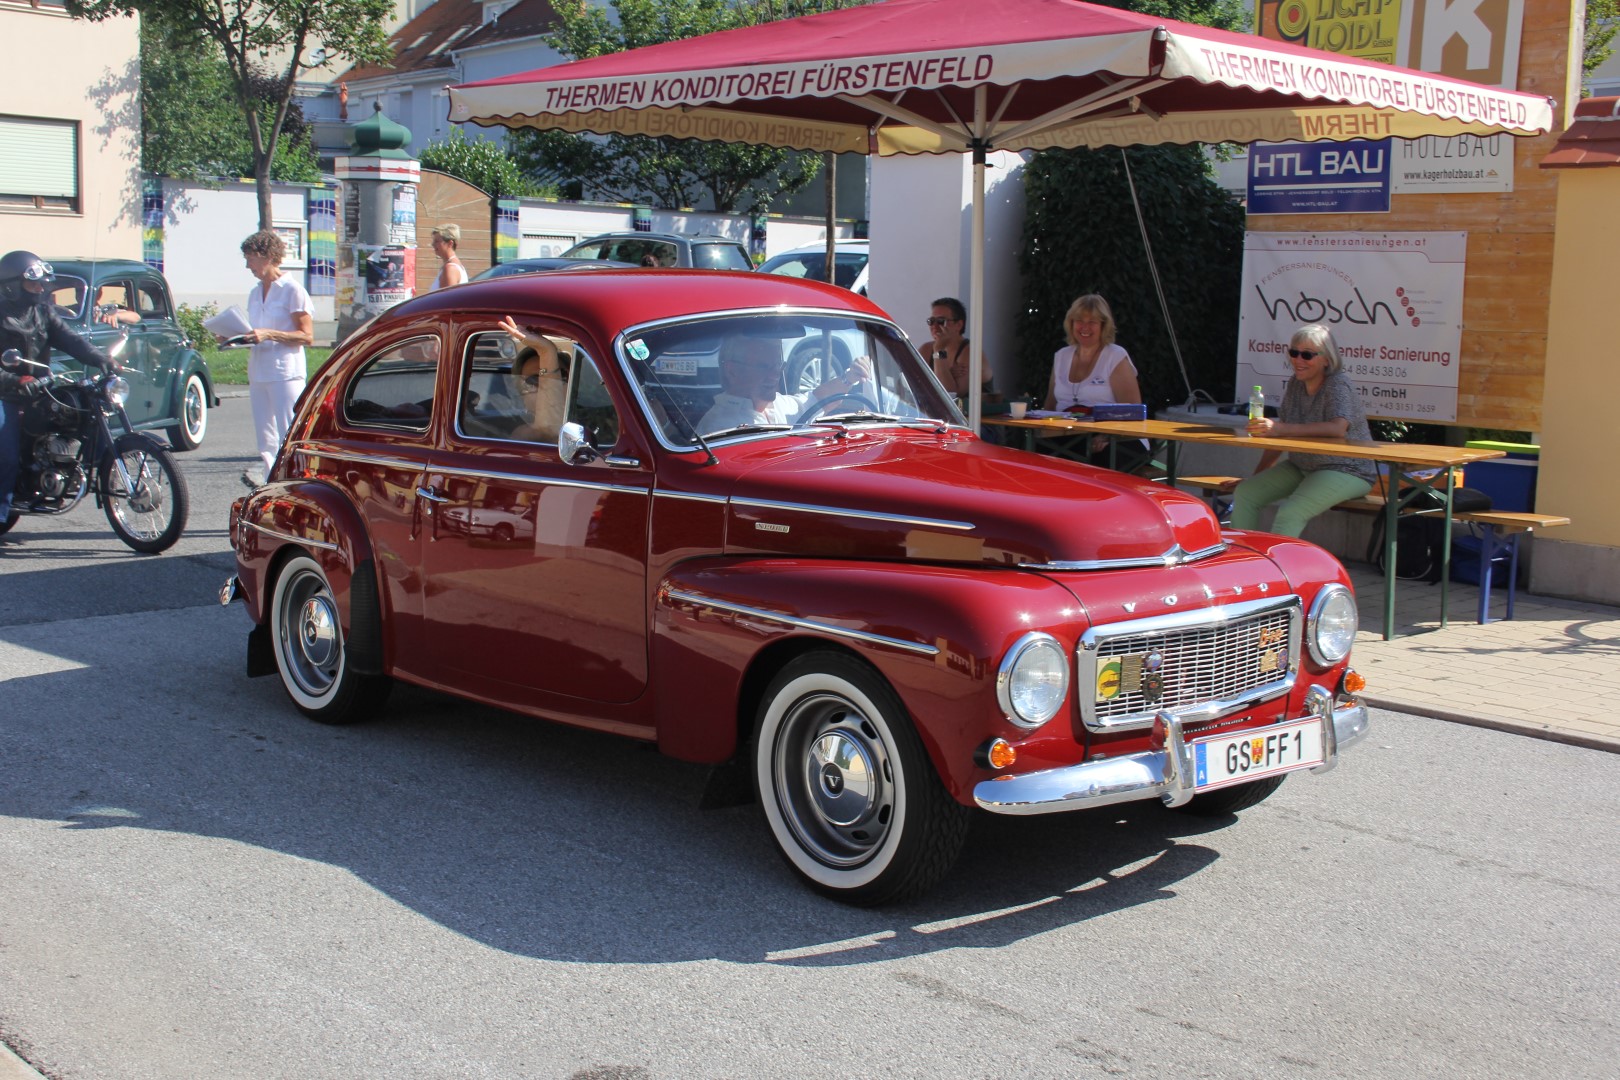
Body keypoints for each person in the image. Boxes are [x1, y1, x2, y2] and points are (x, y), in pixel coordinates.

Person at [0, 251, 119, 528]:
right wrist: (16, 380)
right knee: (5, 452)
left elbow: (69, 339)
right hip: (6, 393)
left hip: (40, 388)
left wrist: (99, 358)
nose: (41, 289)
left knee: (82, 412)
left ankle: (78, 471)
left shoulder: (42, 311)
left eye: (43, 284)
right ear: (11, 286)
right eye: (33, 285)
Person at [1226, 323, 1376, 538]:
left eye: (1307, 355)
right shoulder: (1295, 383)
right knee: (1247, 493)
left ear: (1327, 359)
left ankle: (1280, 571)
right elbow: (1279, 435)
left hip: (1348, 469)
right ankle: (1244, 562)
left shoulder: (1338, 384)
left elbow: (1338, 428)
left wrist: (1280, 428)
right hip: (1302, 466)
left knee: (1290, 513)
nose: (1298, 360)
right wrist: (1256, 476)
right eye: (1294, 353)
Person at [231, 230, 313, 489]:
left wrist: (269, 334)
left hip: (285, 373)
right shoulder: (255, 292)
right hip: (259, 372)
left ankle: (298, 485)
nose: (248, 266)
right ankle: (272, 488)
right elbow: (255, 329)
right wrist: (234, 335)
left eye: (251, 259)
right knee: (265, 438)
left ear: (267, 257)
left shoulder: (292, 290)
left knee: (289, 432)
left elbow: (306, 335)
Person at [1042, 293, 1147, 470]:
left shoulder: (1115, 356)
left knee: (1098, 460)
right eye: (1079, 320)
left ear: (1104, 326)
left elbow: (1133, 411)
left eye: (1092, 322)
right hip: (1068, 435)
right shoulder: (1061, 356)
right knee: (1033, 453)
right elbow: (1050, 406)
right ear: (1071, 323)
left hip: (1117, 437)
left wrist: (1106, 436)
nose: (1085, 327)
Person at [697, 334, 870, 435]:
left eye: (777, 366)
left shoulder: (777, 405)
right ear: (732, 371)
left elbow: (816, 399)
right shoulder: (719, 427)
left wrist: (850, 377)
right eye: (763, 367)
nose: (774, 375)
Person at [497, 316, 568, 442]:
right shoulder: (523, 435)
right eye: (532, 381)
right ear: (523, 397)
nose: (547, 385)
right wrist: (546, 351)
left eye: (560, 376)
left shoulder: (601, 419)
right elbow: (549, 429)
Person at [926, 297, 994, 403]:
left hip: (973, 418)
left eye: (941, 321)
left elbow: (950, 395)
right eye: (931, 321)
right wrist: (948, 373)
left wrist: (939, 351)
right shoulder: (926, 349)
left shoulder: (971, 353)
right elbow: (908, 384)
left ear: (958, 325)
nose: (934, 326)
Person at [429, 224, 468, 291]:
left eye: (437, 241)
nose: (433, 244)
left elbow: (447, 300)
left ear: (450, 244)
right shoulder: (455, 265)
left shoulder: (450, 268)